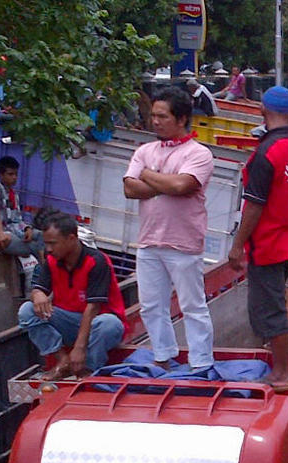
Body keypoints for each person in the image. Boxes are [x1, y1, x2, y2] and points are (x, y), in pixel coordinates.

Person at [227, 86, 288, 392]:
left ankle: (281, 374)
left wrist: (237, 244)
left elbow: (254, 204)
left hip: (267, 243)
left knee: (267, 309)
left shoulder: (264, 154)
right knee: (275, 299)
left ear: (262, 113)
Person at [123, 86, 216, 371]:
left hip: (183, 243)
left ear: (182, 118)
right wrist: (164, 182)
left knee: (192, 306)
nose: (156, 121)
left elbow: (182, 185)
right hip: (149, 241)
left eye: (163, 116)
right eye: (154, 116)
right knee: (151, 305)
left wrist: (149, 176)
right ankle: (162, 356)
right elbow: (129, 188)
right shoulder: (144, 150)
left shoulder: (199, 154)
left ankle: (201, 361)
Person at [17, 211, 127, 380]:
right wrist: (37, 293)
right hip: (70, 322)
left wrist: (80, 348)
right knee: (27, 310)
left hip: (97, 325)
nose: (49, 249)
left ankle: (88, 369)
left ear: (71, 239)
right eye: (46, 244)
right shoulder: (52, 260)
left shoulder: (97, 261)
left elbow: (93, 308)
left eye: (53, 243)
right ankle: (62, 361)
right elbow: (39, 288)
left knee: (108, 323)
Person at [0, 156, 44, 260]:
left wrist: (27, 228)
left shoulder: (14, 194)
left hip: (16, 230)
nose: (14, 177)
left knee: (41, 235)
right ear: (1, 175)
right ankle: (44, 268)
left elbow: (17, 219)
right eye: (10, 174)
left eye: (16, 174)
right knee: (32, 246)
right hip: (3, 235)